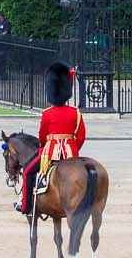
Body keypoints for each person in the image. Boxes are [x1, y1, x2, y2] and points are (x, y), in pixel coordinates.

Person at [20, 61, 86, 216]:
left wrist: (44, 146)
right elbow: (81, 136)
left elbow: (42, 136)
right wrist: (73, 147)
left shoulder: (47, 113)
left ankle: (26, 206)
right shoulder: (75, 112)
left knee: (28, 171)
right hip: (71, 152)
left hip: (50, 153)